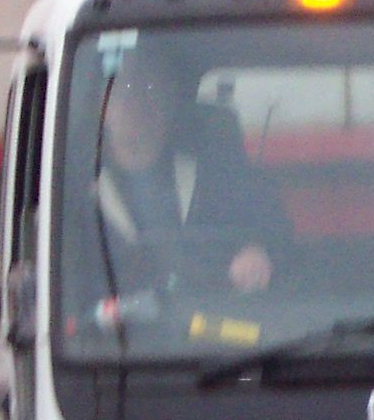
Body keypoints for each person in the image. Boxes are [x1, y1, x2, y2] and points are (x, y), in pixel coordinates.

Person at [97, 49, 290, 293]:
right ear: (101, 105)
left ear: (171, 101)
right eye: (122, 89)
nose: (134, 103)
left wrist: (259, 251)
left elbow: (277, 235)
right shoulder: (70, 187)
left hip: (214, 319)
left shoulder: (221, 174)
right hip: (117, 328)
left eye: (149, 89)